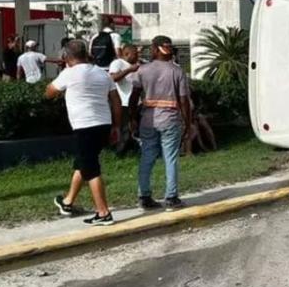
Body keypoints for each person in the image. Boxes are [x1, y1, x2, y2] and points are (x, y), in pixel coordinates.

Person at [46, 39, 122, 226]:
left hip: (84, 126)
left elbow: (49, 92)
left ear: (66, 56)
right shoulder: (102, 74)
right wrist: (117, 126)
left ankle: (103, 213)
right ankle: (68, 202)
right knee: (83, 161)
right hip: (103, 124)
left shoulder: (68, 73)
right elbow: (116, 101)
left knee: (91, 169)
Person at [130, 35, 194, 210]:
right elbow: (184, 101)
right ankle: (171, 198)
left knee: (147, 157)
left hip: (148, 120)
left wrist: (132, 120)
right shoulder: (177, 71)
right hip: (170, 119)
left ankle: (144, 196)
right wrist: (188, 123)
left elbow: (133, 97)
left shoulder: (143, 70)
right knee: (171, 158)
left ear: (155, 48)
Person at [108, 44, 140, 155]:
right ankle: (119, 151)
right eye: (135, 54)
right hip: (122, 101)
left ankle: (130, 149)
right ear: (127, 54)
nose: (137, 56)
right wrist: (129, 70)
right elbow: (113, 78)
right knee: (124, 128)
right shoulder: (118, 63)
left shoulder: (136, 65)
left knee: (133, 127)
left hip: (134, 102)